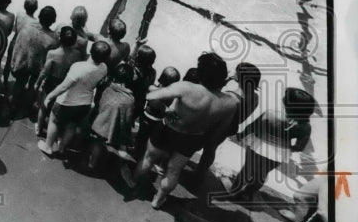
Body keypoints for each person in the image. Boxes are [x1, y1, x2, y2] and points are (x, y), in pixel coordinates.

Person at [129, 52, 234, 209]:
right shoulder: (229, 102)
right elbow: (221, 129)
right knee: (174, 170)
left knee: (148, 158)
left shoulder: (186, 88)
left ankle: (133, 183)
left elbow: (151, 96)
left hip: (170, 128)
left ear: (201, 73)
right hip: (193, 137)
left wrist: (165, 109)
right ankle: (158, 200)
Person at [221, 87, 316, 203]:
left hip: (258, 146)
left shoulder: (270, 114)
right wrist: (286, 147)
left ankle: (233, 191)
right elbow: (299, 147)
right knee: (261, 174)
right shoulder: (305, 126)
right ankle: (247, 194)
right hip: (279, 154)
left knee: (247, 169)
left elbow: (252, 127)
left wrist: (241, 135)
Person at [39, 39, 111, 159]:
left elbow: (64, 86)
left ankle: (48, 146)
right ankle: (62, 147)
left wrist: (50, 96)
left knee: (54, 121)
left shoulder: (78, 67)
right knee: (71, 126)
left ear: (91, 51)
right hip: (85, 103)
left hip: (67, 102)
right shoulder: (104, 68)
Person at [33, 25, 85, 136]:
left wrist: (37, 83)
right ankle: (55, 130)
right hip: (65, 83)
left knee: (43, 106)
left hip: (51, 82)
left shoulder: (53, 54)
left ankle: (39, 127)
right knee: (57, 109)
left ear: (60, 39)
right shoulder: (77, 55)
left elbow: (44, 72)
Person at [7, 5, 58, 117]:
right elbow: (50, 58)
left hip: (23, 62)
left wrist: (15, 62)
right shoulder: (54, 39)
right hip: (38, 67)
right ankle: (27, 107)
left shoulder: (27, 28)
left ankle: (13, 104)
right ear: (53, 21)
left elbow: (18, 45)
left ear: (39, 16)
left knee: (19, 83)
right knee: (33, 86)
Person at [88, 62, 138, 173]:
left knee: (97, 144)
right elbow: (127, 118)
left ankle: (92, 163)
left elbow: (99, 103)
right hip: (114, 126)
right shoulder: (129, 99)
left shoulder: (107, 88)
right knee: (108, 145)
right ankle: (106, 165)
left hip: (100, 122)